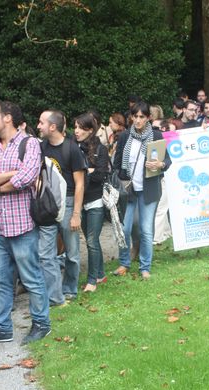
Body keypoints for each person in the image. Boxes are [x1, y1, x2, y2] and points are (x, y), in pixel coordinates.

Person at [0, 100, 51, 345]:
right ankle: (1, 328)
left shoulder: (29, 144)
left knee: (31, 278)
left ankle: (41, 323)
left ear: (7, 118)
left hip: (23, 225)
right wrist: (10, 175)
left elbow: (28, 176)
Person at [113, 102, 171, 279]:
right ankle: (124, 263)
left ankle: (145, 266)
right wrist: (121, 180)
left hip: (149, 189)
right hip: (128, 190)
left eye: (141, 117)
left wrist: (160, 164)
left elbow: (167, 161)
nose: (137, 120)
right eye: (135, 116)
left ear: (148, 118)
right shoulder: (124, 137)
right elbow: (116, 164)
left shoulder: (156, 135)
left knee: (146, 229)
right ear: (131, 117)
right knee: (124, 229)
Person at [36, 110, 86, 306]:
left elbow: (80, 184)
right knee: (46, 253)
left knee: (71, 253)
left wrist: (76, 214)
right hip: (47, 204)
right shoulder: (41, 148)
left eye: (41, 123)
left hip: (68, 201)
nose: (38, 126)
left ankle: (69, 288)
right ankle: (54, 293)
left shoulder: (71, 149)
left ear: (53, 127)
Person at [74, 113, 109, 292]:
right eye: (75, 127)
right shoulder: (74, 147)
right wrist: (88, 171)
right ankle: (101, 274)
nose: (76, 131)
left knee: (91, 241)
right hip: (80, 202)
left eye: (80, 127)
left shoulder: (100, 149)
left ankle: (92, 281)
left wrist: (86, 173)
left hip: (95, 200)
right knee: (92, 240)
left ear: (89, 130)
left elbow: (101, 174)